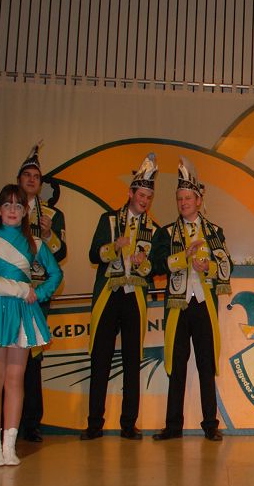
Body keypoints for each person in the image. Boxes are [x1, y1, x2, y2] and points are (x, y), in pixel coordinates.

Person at [0, 185, 62, 465]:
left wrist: (39, 294)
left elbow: (56, 274)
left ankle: (9, 446)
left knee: (16, 380)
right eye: (7, 205)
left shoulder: (35, 243)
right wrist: (23, 290)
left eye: (18, 206)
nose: (12, 210)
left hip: (22, 314)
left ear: (25, 211)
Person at [0, 143, 67, 443]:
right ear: (18, 180)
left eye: (36, 176)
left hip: (34, 295)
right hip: (1, 296)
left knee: (31, 359)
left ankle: (31, 422)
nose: (32, 180)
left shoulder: (54, 214)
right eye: (27, 175)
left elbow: (60, 255)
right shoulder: (1, 211)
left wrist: (48, 234)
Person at [151, 157, 232, 442]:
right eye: (180, 198)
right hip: (179, 307)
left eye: (188, 198)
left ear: (198, 200)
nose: (183, 203)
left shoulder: (214, 232)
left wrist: (207, 266)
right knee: (177, 365)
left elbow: (227, 265)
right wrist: (183, 257)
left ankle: (210, 424)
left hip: (204, 305)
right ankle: (173, 426)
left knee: (206, 365)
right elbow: (156, 265)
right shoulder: (167, 233)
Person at [81, 154, 158, 441]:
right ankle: (94, 424)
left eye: (148, 197)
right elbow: (93, 255)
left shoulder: (153, 229)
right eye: (141, 195)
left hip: (134, 298)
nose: (144, 201)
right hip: (109, 295)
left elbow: (155, 269)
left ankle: (129, 424)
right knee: (100, 359)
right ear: (130, 193)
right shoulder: (109, 219)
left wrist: (143, 263)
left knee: (131, 361)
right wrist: (114, 246)